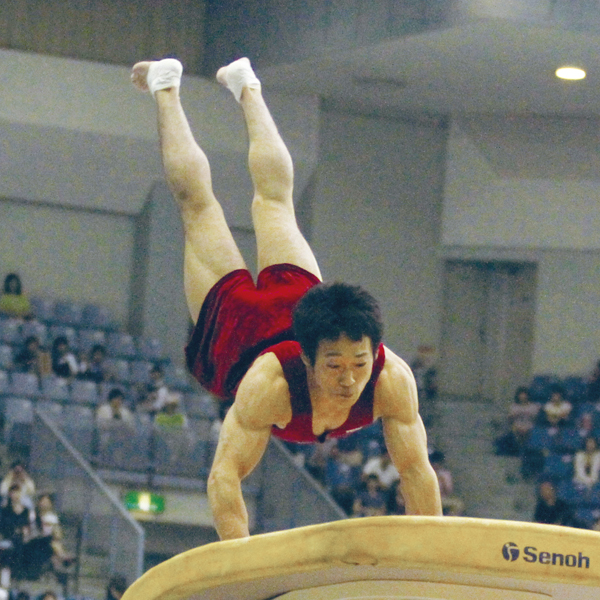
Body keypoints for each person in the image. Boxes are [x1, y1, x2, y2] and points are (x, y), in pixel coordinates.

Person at [131, 55, 442, 540]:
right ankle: (165, 87)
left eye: (359, 363)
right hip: (239, 327)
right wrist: (245, 568)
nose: (349, 379)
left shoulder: (391, 380)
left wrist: (435, 556)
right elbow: (225, 476)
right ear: (307, 356)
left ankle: (247, 86)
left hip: (299, 298)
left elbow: (417, 474)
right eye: (334, 366)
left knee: (277, 200)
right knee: (197, 205)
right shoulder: (270, 387)